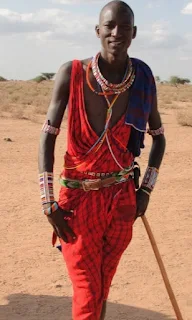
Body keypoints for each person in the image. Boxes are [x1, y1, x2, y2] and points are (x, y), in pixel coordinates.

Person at [38, 1, 166, 319]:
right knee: (87, 290)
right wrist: (48, 203)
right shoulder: (73, 73)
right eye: (109, 26)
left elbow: (159, 138)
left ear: (134, 33)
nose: (116, 33)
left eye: (124, 27)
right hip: (77, 200)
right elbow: (47, 136)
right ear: (98, 31)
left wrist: (145, 191)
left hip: (122, 200)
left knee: (102, 286)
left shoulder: (143, 77)